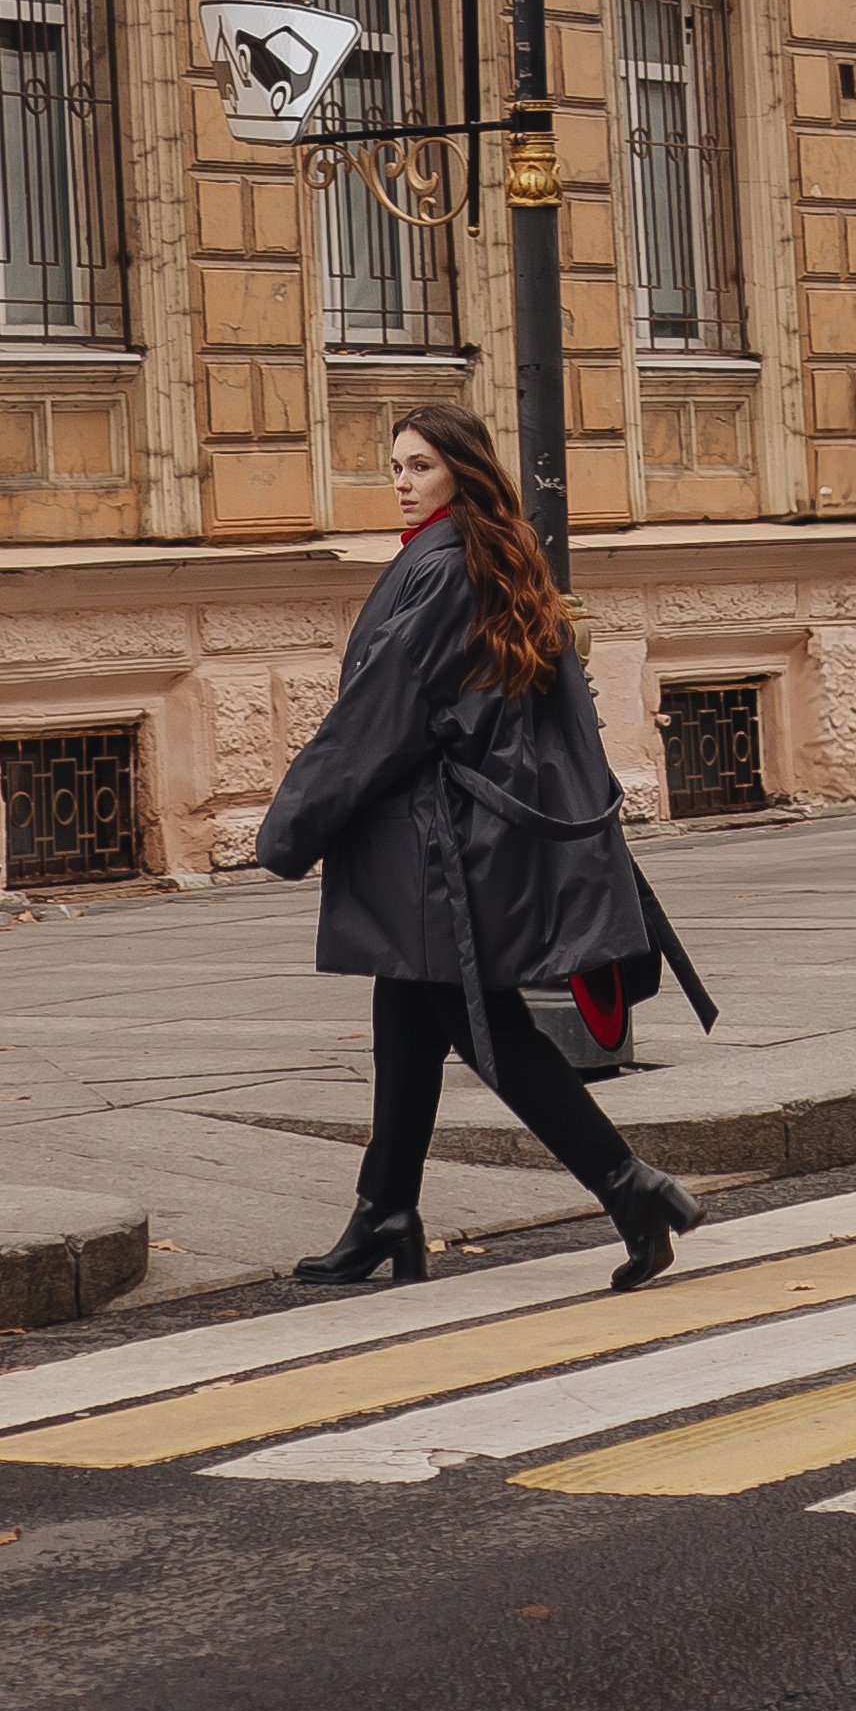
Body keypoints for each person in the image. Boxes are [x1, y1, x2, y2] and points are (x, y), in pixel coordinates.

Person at [257, 402, 712, 1293]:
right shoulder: (488, 553)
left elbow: (382, 713)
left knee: (485, 1027)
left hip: (437, 847)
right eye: (395, 467)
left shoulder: (445, 568)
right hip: (450, 840)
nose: (401, 482)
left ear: (461, 471)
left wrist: (292, 826)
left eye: (420, 466)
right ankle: (384, 1211)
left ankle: (629, 1186)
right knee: (405, 1017)